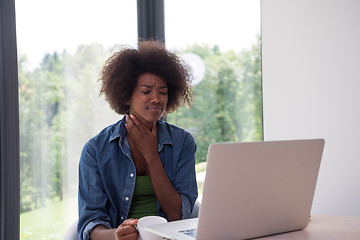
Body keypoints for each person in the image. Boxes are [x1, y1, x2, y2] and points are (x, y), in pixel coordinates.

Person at [77, 41, 198, 240]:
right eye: (146, 91)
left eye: (163, 92)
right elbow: (90, 225)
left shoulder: (183, 143)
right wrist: (116, 235)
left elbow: (179, 214)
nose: (156, 99)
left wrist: (151, 155)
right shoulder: (95, 150)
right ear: (126, 96)